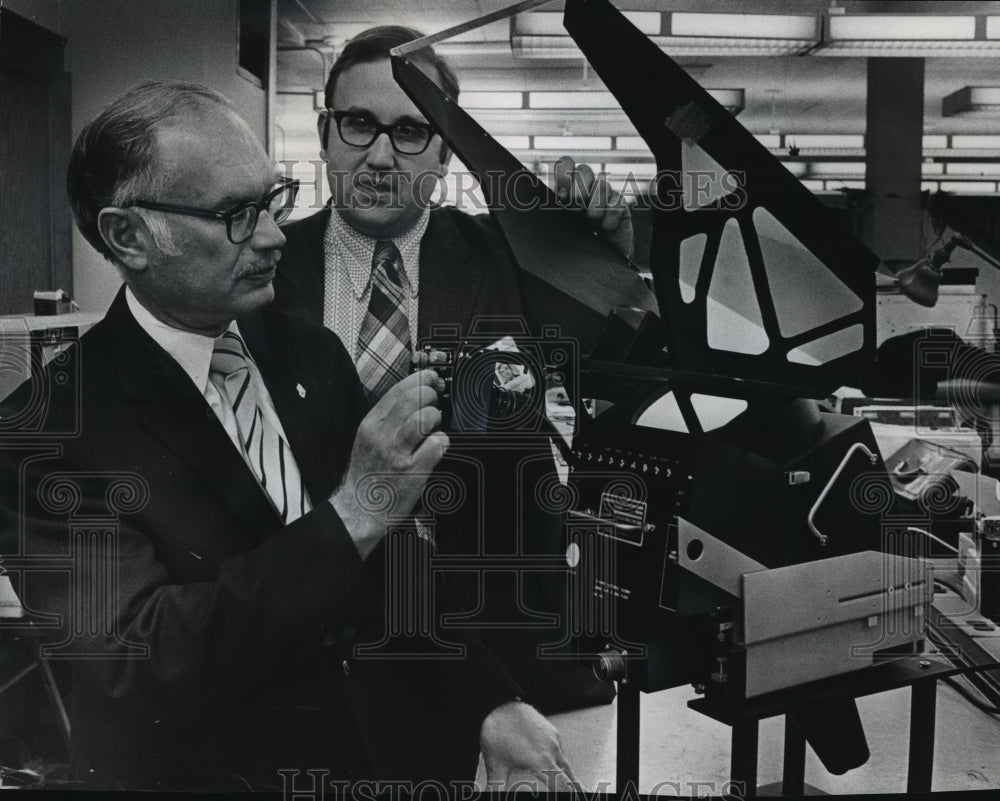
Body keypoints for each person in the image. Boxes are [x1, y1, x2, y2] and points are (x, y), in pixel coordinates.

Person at [0, 80, 578, 792]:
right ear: (129, 236)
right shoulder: (47, 433)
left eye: (273, 200)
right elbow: (134, 665)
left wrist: (489, 697)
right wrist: (353, 513)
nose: (276, 234)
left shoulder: (307, 354)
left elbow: (393, 560)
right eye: (237, 215)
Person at [273, 24, 628, 713]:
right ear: (325, 135)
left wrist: (605, 270)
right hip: (320, 630)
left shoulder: (512, 257)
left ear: (444, 153)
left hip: (494, 635)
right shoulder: (264, 270)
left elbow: (616, 382)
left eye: (410, 131)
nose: (380, 155)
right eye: (358, 124)